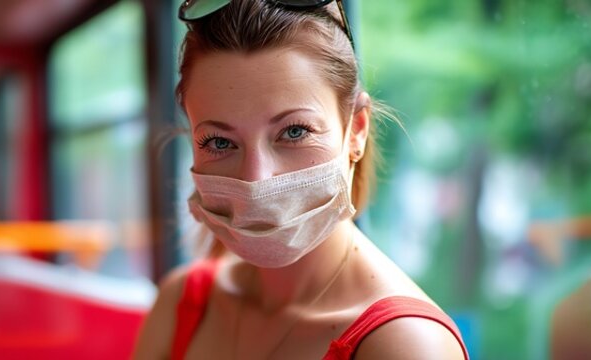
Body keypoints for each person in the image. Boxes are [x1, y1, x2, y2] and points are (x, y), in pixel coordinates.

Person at [133, 0, 470, 358]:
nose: (256, 180)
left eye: (294, 132)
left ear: (356, 129)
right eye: (219, 142)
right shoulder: (180, 304)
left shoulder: (407, 346)